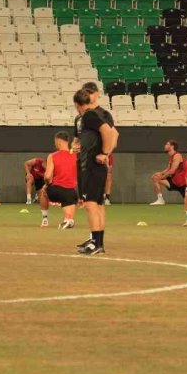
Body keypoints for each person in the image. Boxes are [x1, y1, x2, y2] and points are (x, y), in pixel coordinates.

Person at [74, 89, 119, 255]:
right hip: (94, 166)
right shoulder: (87, 117)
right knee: (98, 205)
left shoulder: (88, 116)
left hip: (93, 166)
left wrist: (105, 153)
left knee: (91, 204)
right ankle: (98, 242)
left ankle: (95, 242)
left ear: (76, 104)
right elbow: (112, 132)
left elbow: (110, 132)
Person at [79, 82, 116, 206]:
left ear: (97, 94)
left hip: (97, 160)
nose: (87, 95)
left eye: (90, 92)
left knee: (93, 202)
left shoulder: (103, 113)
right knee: (92, 202)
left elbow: (114, 134)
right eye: (85, 92)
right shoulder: (82, 115)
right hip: (85, 159)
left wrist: (105, 153)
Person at [39, 132, 78, 230]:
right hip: (72, 192)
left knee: (43, 192)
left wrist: (46, 185)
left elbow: (47, 177)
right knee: (69, 210)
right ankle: (68, 219)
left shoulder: (52, 156)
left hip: (56, 191)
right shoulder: (75, 155)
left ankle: (44, 220)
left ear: (58, 141)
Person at [148, 140, 187, 206]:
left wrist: (162, 177)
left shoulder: (177, 156)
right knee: (155, 177)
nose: (165, 146)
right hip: (174, 181)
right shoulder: (171, 156)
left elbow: (172, 171)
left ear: (172, 146)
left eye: (167, 144)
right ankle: (160, 200)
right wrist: (160, 173)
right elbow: (168, 169)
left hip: (182, 184)